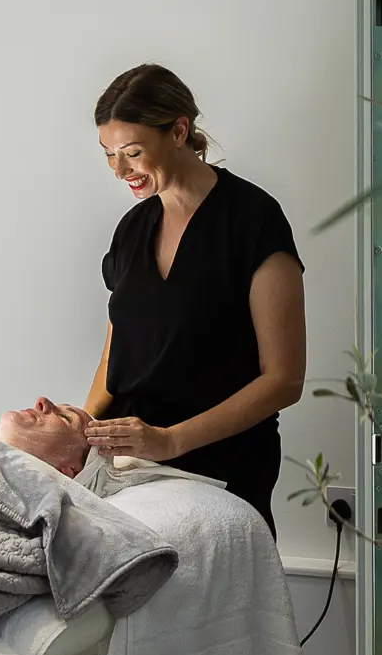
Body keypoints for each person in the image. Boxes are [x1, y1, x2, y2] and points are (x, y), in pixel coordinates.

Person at [77, 64, 307, 537]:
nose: (119, 170)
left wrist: (169, 441)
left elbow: (283, 380)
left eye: (133, 152)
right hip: (127, 466)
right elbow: (113, 356)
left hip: (219, 466)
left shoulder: (253, 221)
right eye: (109, 154)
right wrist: (83, 430)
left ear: (179, 131)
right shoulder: (132, 230)